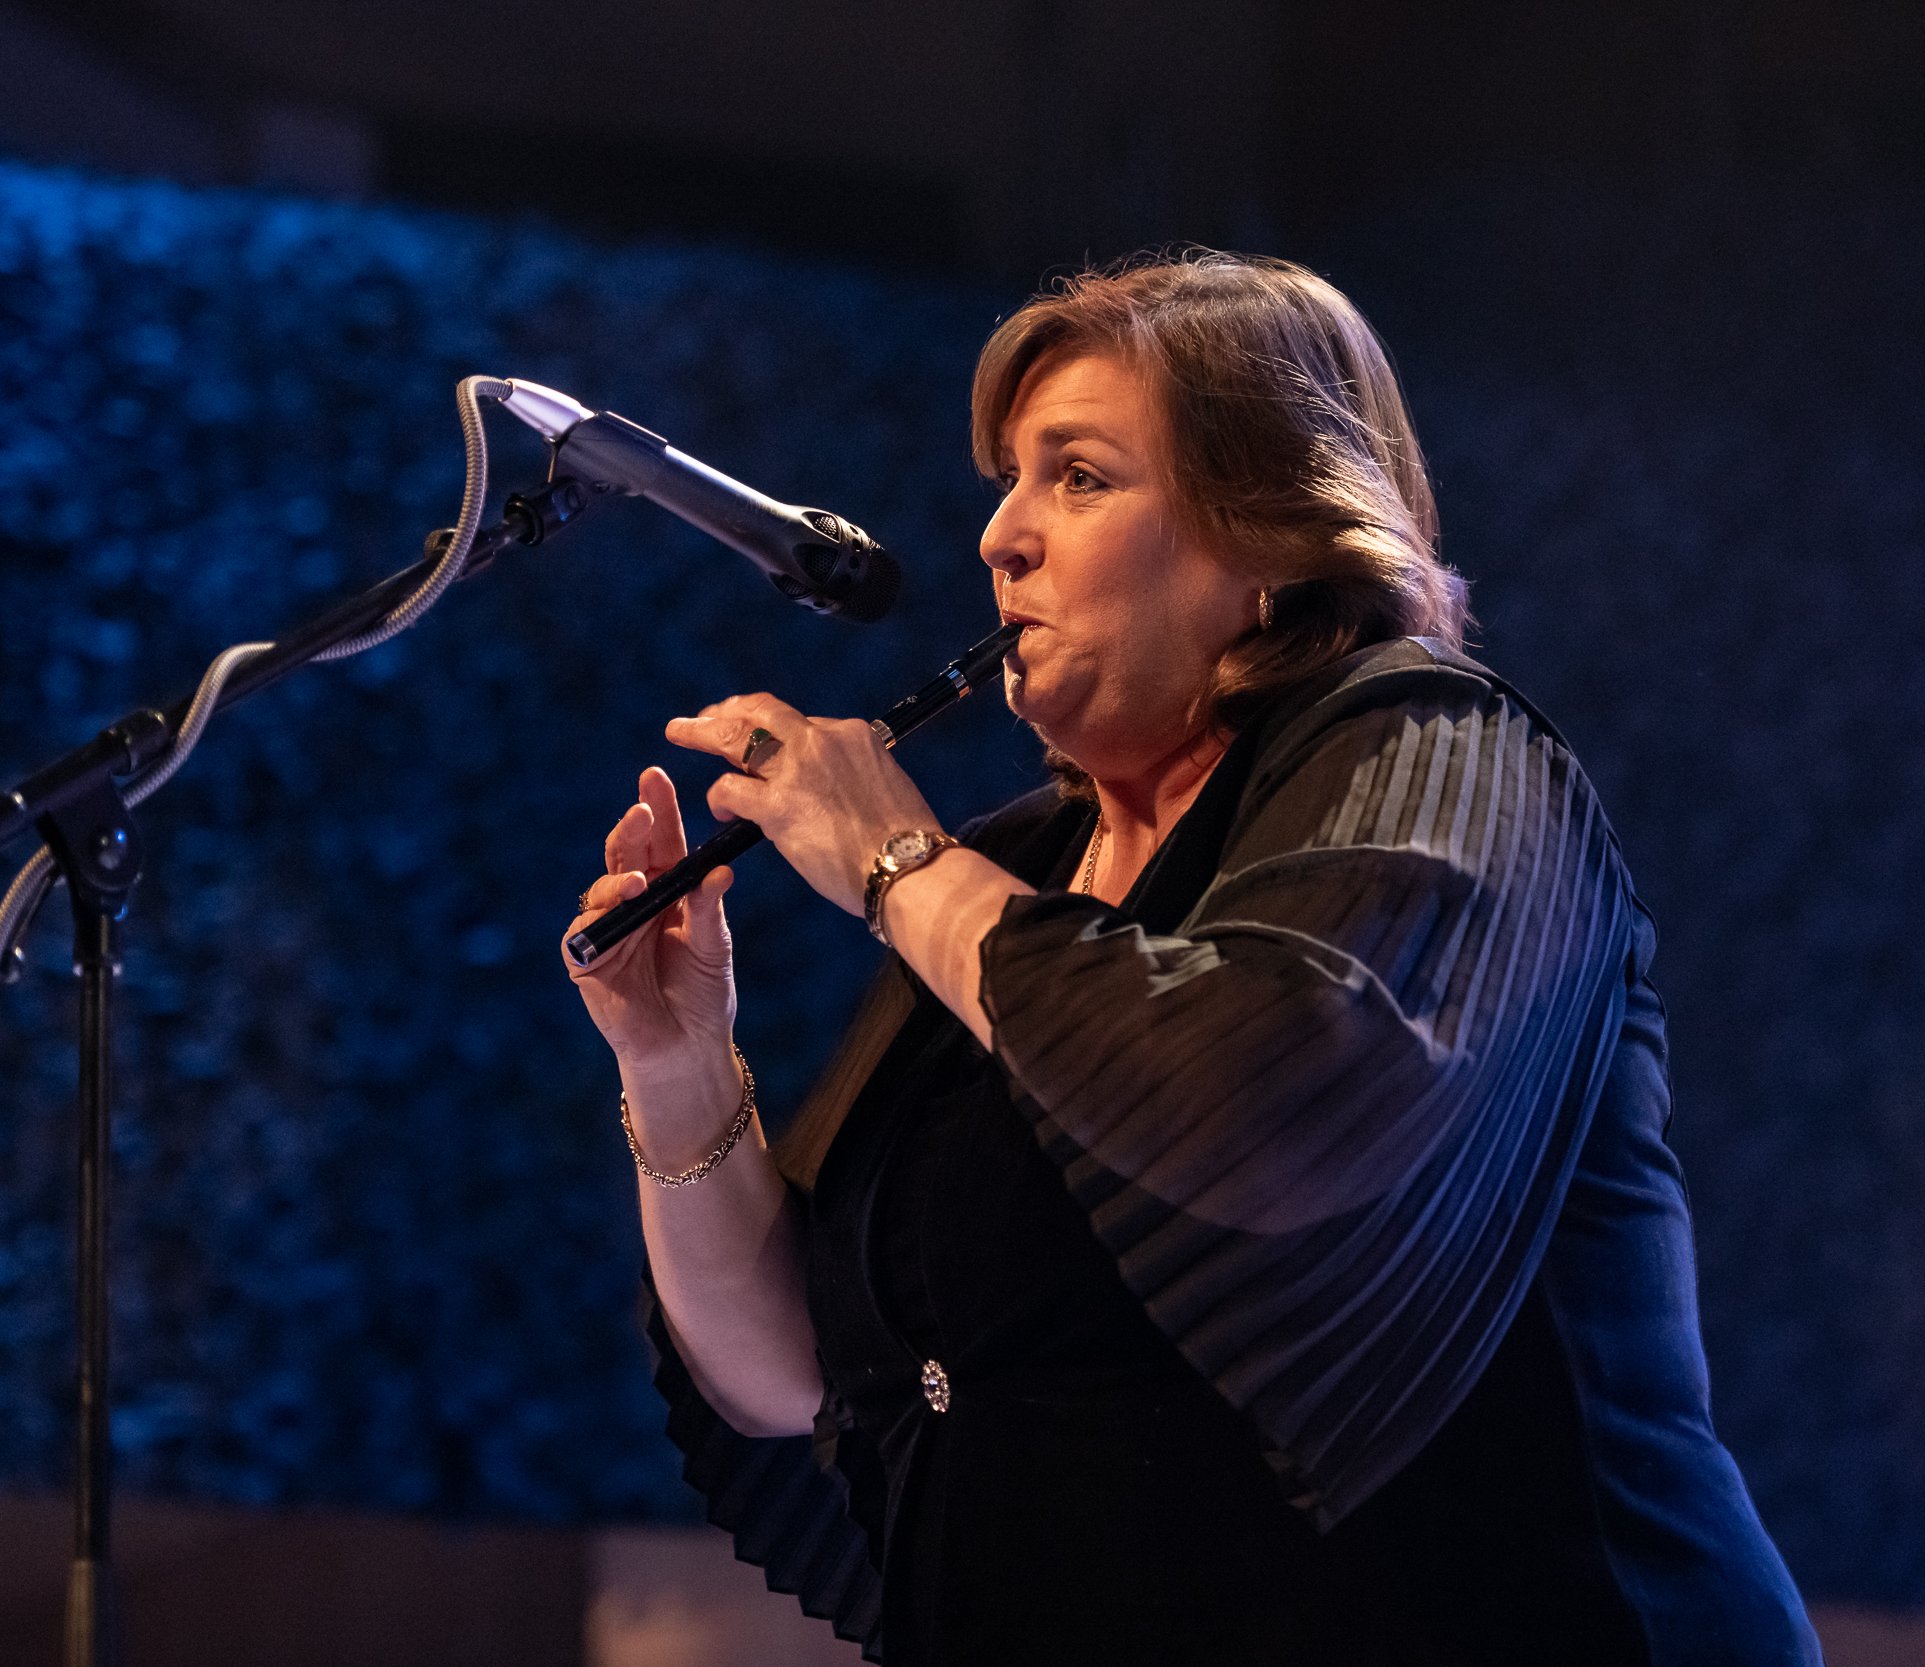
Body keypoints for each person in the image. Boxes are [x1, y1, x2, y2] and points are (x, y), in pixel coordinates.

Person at [560, 253, 1820, 1666]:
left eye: (1081, 476)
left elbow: (1260, 1103)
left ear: (1275, 536)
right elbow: (798, 1370)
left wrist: (894, 866)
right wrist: (674, 1063)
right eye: (1008, 480)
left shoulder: (1444, 753)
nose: (1001, 537)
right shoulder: (1020, 866)